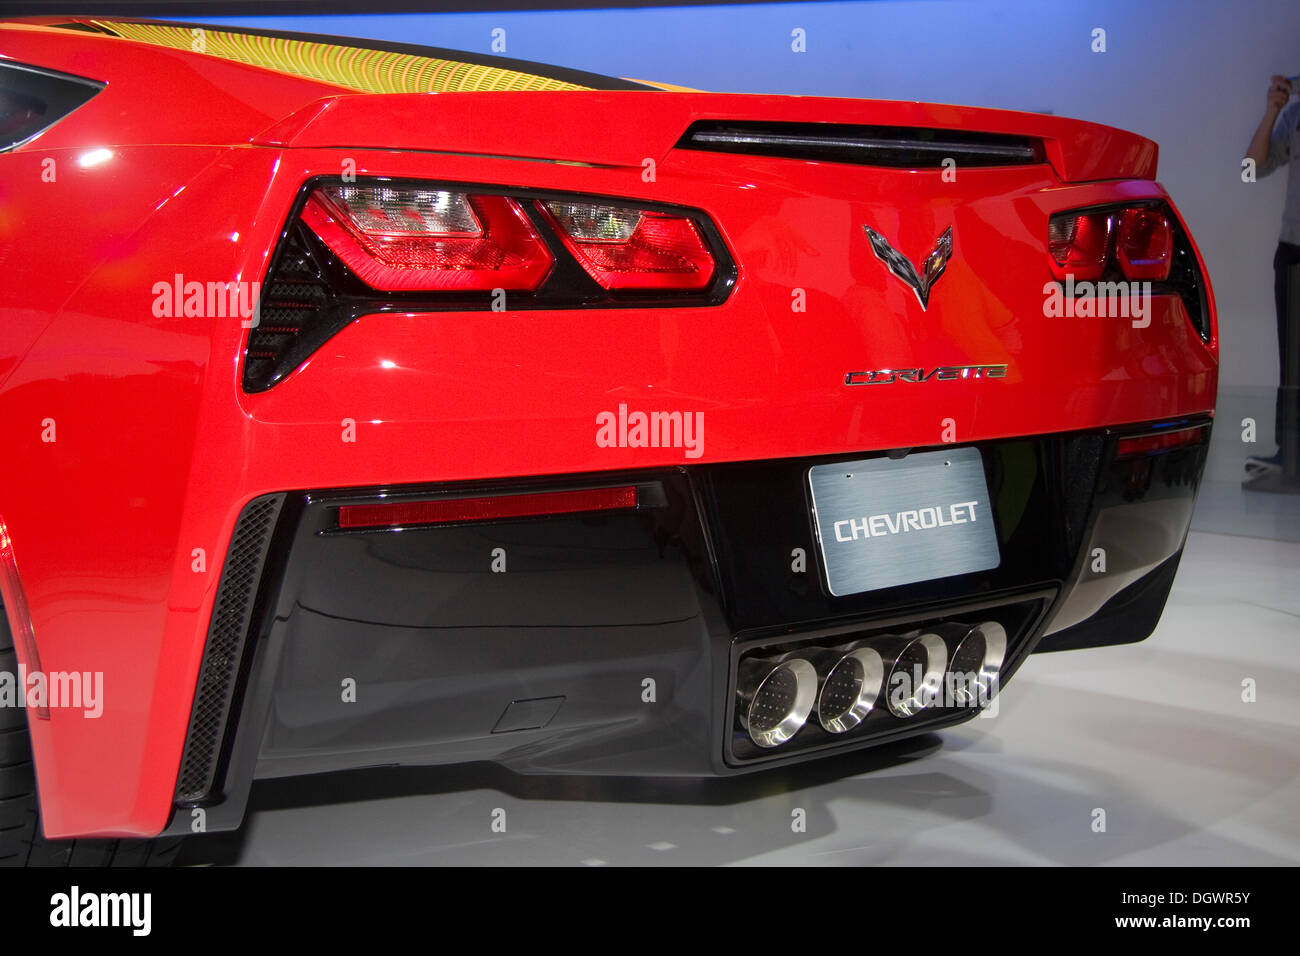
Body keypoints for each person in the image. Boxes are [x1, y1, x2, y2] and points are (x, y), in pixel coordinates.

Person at [1245, 74, 1300, 475]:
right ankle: (1292, 455)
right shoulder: (1295, 117)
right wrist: (1272, 112)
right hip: (1294, 250)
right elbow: (1252, 169)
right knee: (1293, 358)